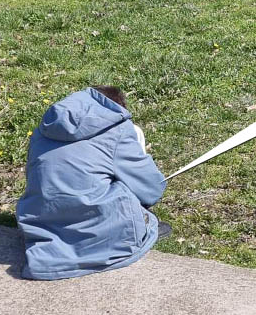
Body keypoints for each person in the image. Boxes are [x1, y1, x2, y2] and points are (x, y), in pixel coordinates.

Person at [16, 86, 169, 279]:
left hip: (43, 225)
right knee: (143, 211)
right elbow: (151, 189)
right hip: (95, 231)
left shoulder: (43, 130)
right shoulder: (117, 129)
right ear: (116, 109)